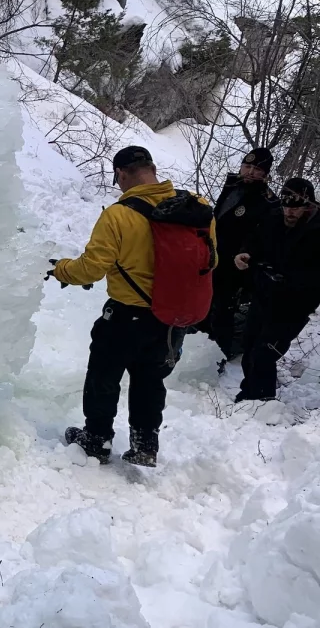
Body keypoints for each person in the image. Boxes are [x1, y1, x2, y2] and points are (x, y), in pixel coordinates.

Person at [49, 146, 217, 467]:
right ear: (152, 169)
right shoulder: (197, 209)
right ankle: (145, 444)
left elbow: (92, 268)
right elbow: (211, 260)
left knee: (104, 376)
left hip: (127, 316)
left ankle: (97, 440)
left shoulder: (118, 214)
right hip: (171, 317)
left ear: (122, 174)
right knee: (150, 379)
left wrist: (61, 269)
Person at [233, 177, 320, 402]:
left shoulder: (317, 230)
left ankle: (261, 401)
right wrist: (246, 254)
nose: (289, 212)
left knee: (265, 352)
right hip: (264, 295)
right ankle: (250, 395)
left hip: (294, 305)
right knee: (249, 346)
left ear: (308, 205)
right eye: (286, 206)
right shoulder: (273, 218)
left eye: (296, 208)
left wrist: (289, 281)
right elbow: (254, 240)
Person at [198, 148, 278, 365]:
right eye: (247, 166)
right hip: (213, 254)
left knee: (223, 307)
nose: (250, 172)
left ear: (266, 174)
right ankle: (197, 343)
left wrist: (246, 254)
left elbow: (262, 236)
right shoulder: (233, 186)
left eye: (257, 169)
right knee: (204, 299)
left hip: (237, 263)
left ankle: (218, 353)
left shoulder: (268, 202)